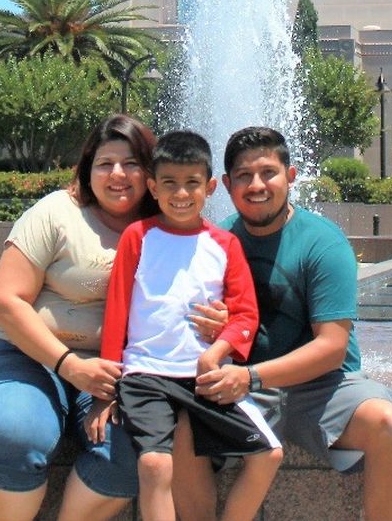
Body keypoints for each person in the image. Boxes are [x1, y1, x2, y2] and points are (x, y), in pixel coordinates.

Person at [178, 126, 392, 521]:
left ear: (291, 176)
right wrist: (216, 327)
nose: (257, 185)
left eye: (268, 173)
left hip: (320, 388)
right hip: (241, 389)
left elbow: (332, 348)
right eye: (244, 176)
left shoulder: (323, 243)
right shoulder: (215, 242)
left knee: (386, 423)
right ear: (228, 185)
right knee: (178, 426)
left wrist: (250, 377)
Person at [0, 114, 164, 521]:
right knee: (15, 434)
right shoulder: (56, 213)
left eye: (131, 163)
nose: (118, 174)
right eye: (105, 163)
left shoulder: (168, 229)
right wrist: (70, 366)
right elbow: (4, 301)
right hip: (29, 358)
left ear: (150, 171)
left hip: (118, 373)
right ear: (88, 169)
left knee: (139, 446)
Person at [87, 130, 282, 521]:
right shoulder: (138, 237)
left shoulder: (224, 244)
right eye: (169, 183)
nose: (181, 193)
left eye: (192, 183)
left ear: (209, 187)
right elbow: (117, 311)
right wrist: (104, 394)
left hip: (205, 380)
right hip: (145, 376)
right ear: (153, 187)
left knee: (269, 454)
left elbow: (245, 314)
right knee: (155, 464)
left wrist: (217, 351)